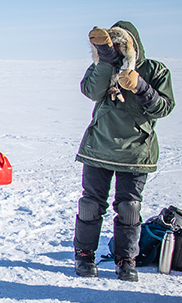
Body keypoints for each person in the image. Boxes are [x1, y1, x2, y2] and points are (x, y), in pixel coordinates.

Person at [73, 22, 175, 281]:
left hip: (136, 151)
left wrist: (141, 87)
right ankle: (84, 255)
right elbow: (91, 92)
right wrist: (105, 61)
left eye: (120, 44)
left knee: (129, 207)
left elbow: (162, 108)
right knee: (90, 205)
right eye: (111, 44)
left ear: (132, 44)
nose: (116, 48)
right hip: (99, 148)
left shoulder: (155, 70)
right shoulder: (101, 67)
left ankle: (126, 258)